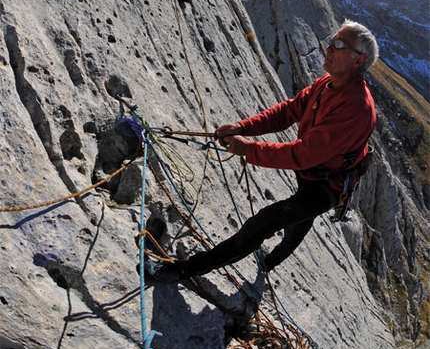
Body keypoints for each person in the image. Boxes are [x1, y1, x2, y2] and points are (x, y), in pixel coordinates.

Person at [145, 20, 379, 282]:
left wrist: (248, 149)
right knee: (298, 218)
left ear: (358, 60)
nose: (328, 48)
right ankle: (272, 258)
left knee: (268, 222)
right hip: (313, 171)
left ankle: (189, 269)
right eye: (330, 40)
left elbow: (303, 154)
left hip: (327, 186)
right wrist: (243, 127)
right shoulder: (328, 83)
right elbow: (289, 111)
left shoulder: (356, 108)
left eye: (338, 45)